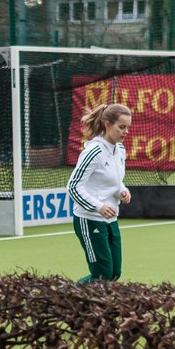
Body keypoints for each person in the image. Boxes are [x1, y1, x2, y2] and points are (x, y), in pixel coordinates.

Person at [67, 102, 132, 283]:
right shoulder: (93, 152)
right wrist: (98, 206)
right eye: (121, 127)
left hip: (111, 219)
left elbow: (115, 181)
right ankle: (67, 296)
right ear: (107, 125)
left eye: (127, 127)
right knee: (102, 275)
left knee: (114, 274)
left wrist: (123, 192)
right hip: (89, 219)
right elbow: (73, 186)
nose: (125, 132)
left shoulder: (119, 150)